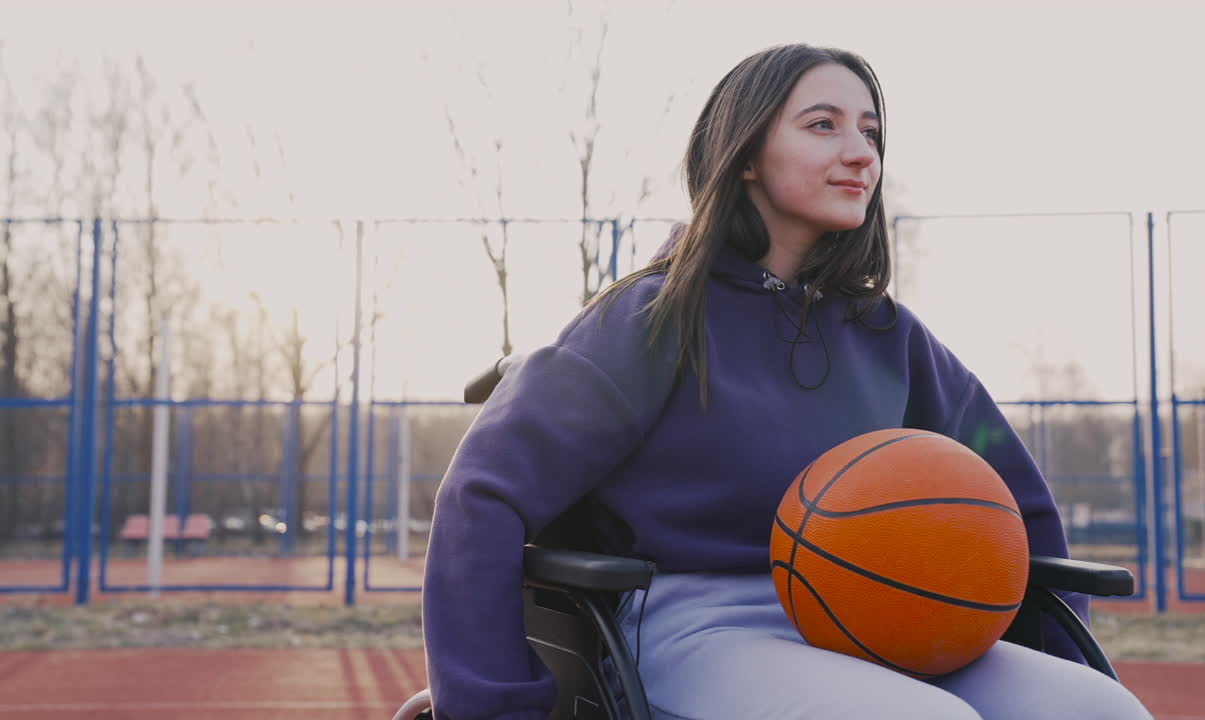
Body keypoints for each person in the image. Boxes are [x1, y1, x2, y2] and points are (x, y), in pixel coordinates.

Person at [422, 43, 1151, 720]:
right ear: (745, 155)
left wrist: (1037, 644)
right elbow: (482, 493)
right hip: (697, 625)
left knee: (1101, 710)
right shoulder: (651, 317)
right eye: (823, 125)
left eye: (869, 132)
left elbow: (1013, 504)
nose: (859, 152)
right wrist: (493, 704)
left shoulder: (887, 334)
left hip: (879, 619)